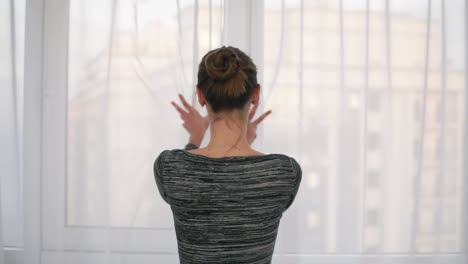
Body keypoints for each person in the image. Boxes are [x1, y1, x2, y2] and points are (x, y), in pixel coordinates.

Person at [154, 46, 302, 264]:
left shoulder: (169, 167)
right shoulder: (284, 172)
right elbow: (239, 182)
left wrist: (195, 138)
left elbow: (192, 171)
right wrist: (245, 145)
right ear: (256, 94)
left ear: (200, 95)